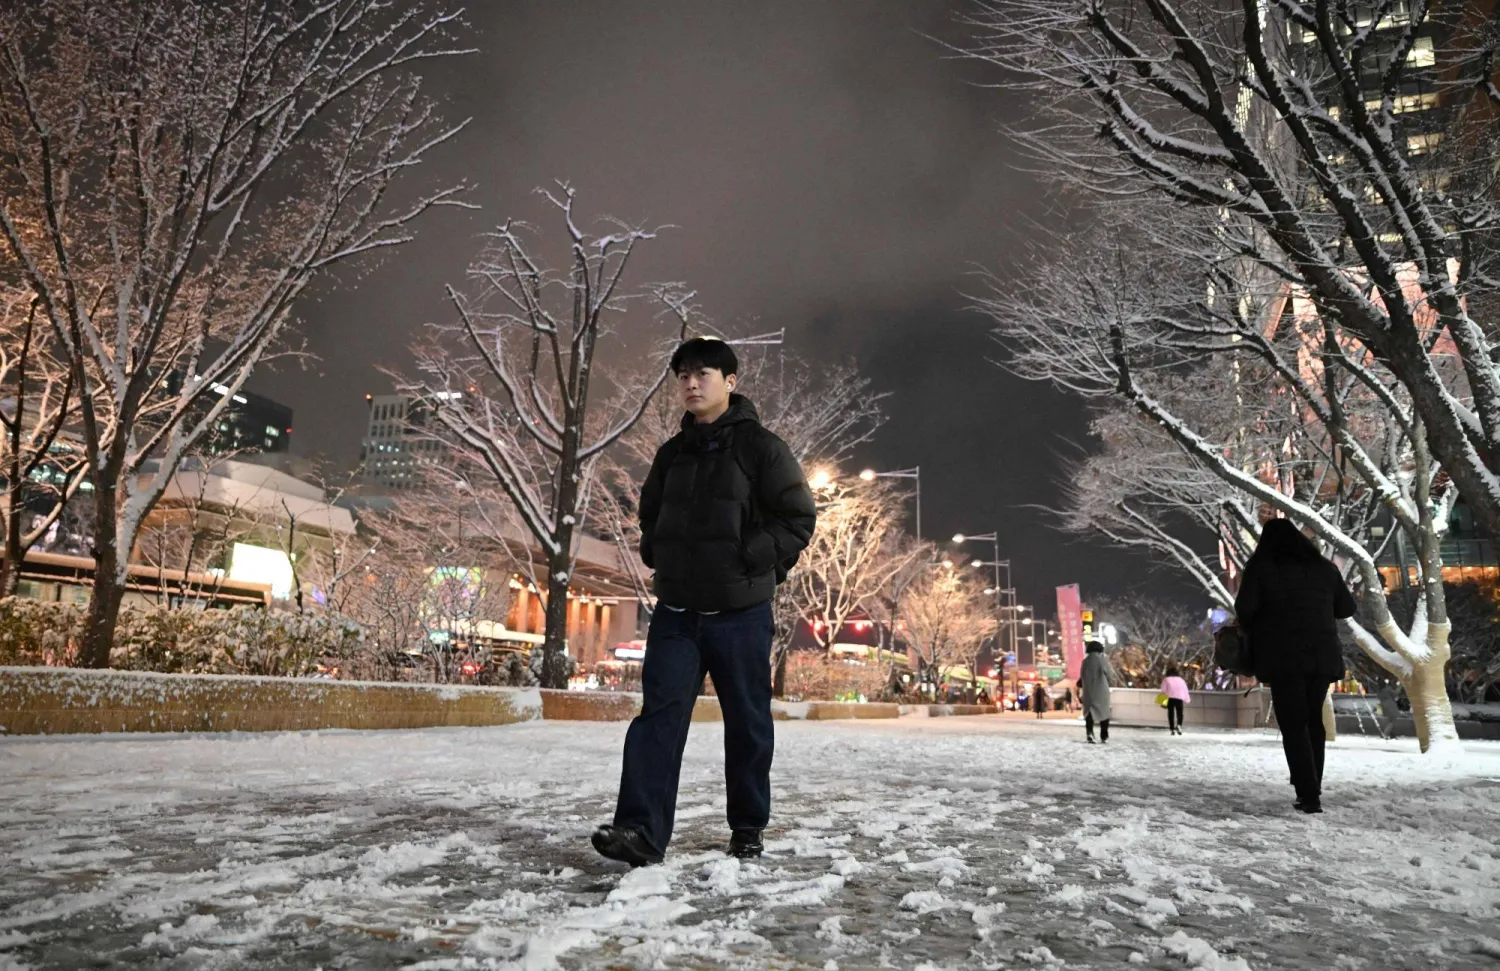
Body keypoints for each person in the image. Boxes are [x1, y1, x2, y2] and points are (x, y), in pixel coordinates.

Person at [592, 338, 817, 867]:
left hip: (741, 613)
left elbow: (798, 518)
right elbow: (650, 515)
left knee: (747, 723)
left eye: (704, 374)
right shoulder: (671, 454)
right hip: (677, 613)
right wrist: (658, 554)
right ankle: (640, 833)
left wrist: (750, 559)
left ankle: (747, 826)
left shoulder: (763, 448)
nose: (692, 384)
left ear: (730, 381)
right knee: (658, 721)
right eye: (684, 375)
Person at [1234, 518, 1356, 815]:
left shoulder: (1261, 567)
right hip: (1322, 655)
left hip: (1282, 655)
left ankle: (1308, 792)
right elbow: (1347, 608)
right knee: (1313, 720)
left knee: (1293, 723)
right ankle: (1312, 784)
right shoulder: (1325, 569)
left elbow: (1245, 609)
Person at [1081, 640, 1113, 743]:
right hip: (1101, 690)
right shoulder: (1101, 660)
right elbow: (1109, 674)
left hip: (1088, 690)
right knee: (1104, 713)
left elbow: (1082, 675)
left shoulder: (1085, 661)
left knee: (1089, 713)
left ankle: (1089, 733)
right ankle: (1104, 735)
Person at [1161, 666, 1191, 736]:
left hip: (1170, 698)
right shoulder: (1181, 679)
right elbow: (1185, 689)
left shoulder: (1166, 679)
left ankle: (1172, 729)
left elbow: (1163, 690)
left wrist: (1162, 702)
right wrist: (1187, 699)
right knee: (1180, 713)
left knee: (1171, 713)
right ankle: (1179, 725)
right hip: (1179, 698)